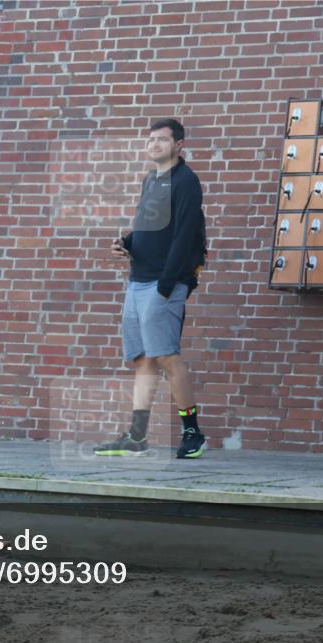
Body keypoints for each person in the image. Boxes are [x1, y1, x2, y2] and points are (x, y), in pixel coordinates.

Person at [95, 118, 208, 459]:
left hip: (163, 283)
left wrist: (167, 285)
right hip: (138, 279)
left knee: (167, 356)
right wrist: (125, 242)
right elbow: (149, 225)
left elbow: (186, 234)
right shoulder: (150, 180)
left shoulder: (186, 181)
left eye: (162, 140)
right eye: (151, 140)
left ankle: (193, 434)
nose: (154, 145)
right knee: (142, 359)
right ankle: (137, 437)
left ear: (179, 146)